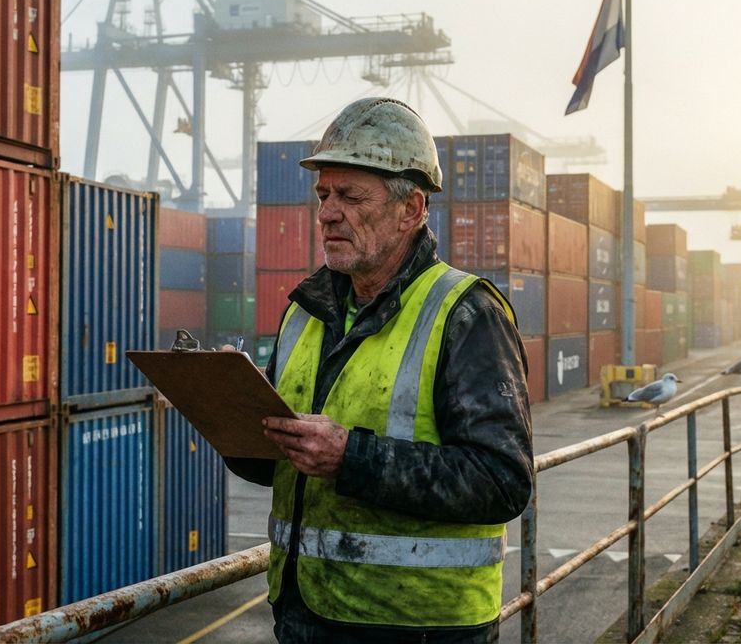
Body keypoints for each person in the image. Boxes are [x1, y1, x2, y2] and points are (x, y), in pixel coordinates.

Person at [225, 97, 534, 643]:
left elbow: (502, 483)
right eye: (323, 194)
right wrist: (227, 416)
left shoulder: (466, 312)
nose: (327, 213)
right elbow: (279, 466)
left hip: (421, 628)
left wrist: (352, 456)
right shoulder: (304, 312)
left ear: (410, 210)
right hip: (304, 617)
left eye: (350, 196)